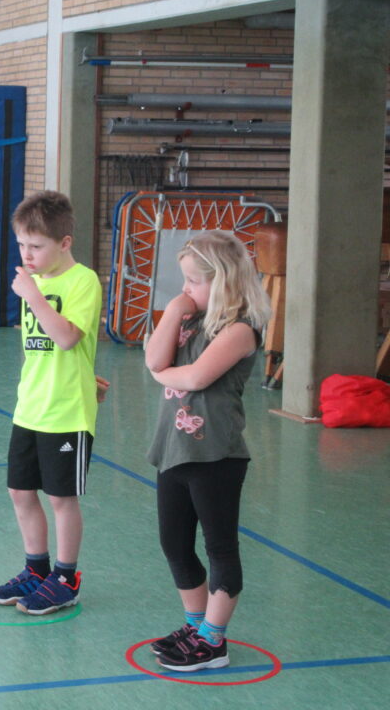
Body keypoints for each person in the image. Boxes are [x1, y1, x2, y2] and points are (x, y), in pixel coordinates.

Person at [143, 229, 270, 671]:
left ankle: (213, 641)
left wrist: (163, 375)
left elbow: (196, 377)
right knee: (174, 544)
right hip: (174, 449)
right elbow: (154, 358)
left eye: (193, 282)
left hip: (216, 455)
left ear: (224, 282)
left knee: (220, 547)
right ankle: (196, 626)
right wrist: (176, 309)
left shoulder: (241, 329)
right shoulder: (189, 319)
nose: (186, 289)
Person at [0, 191, 102, 615]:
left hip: (67, 412)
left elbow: (68, 338)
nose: (27, 254)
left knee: (60, 498)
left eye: (36, 246)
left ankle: (66, 578)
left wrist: (33, 296)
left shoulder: (82, 281)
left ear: (64, 243)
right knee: (20, 491)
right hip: (30, 407)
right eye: (21, 245)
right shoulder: (34, 281)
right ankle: (36, 570)